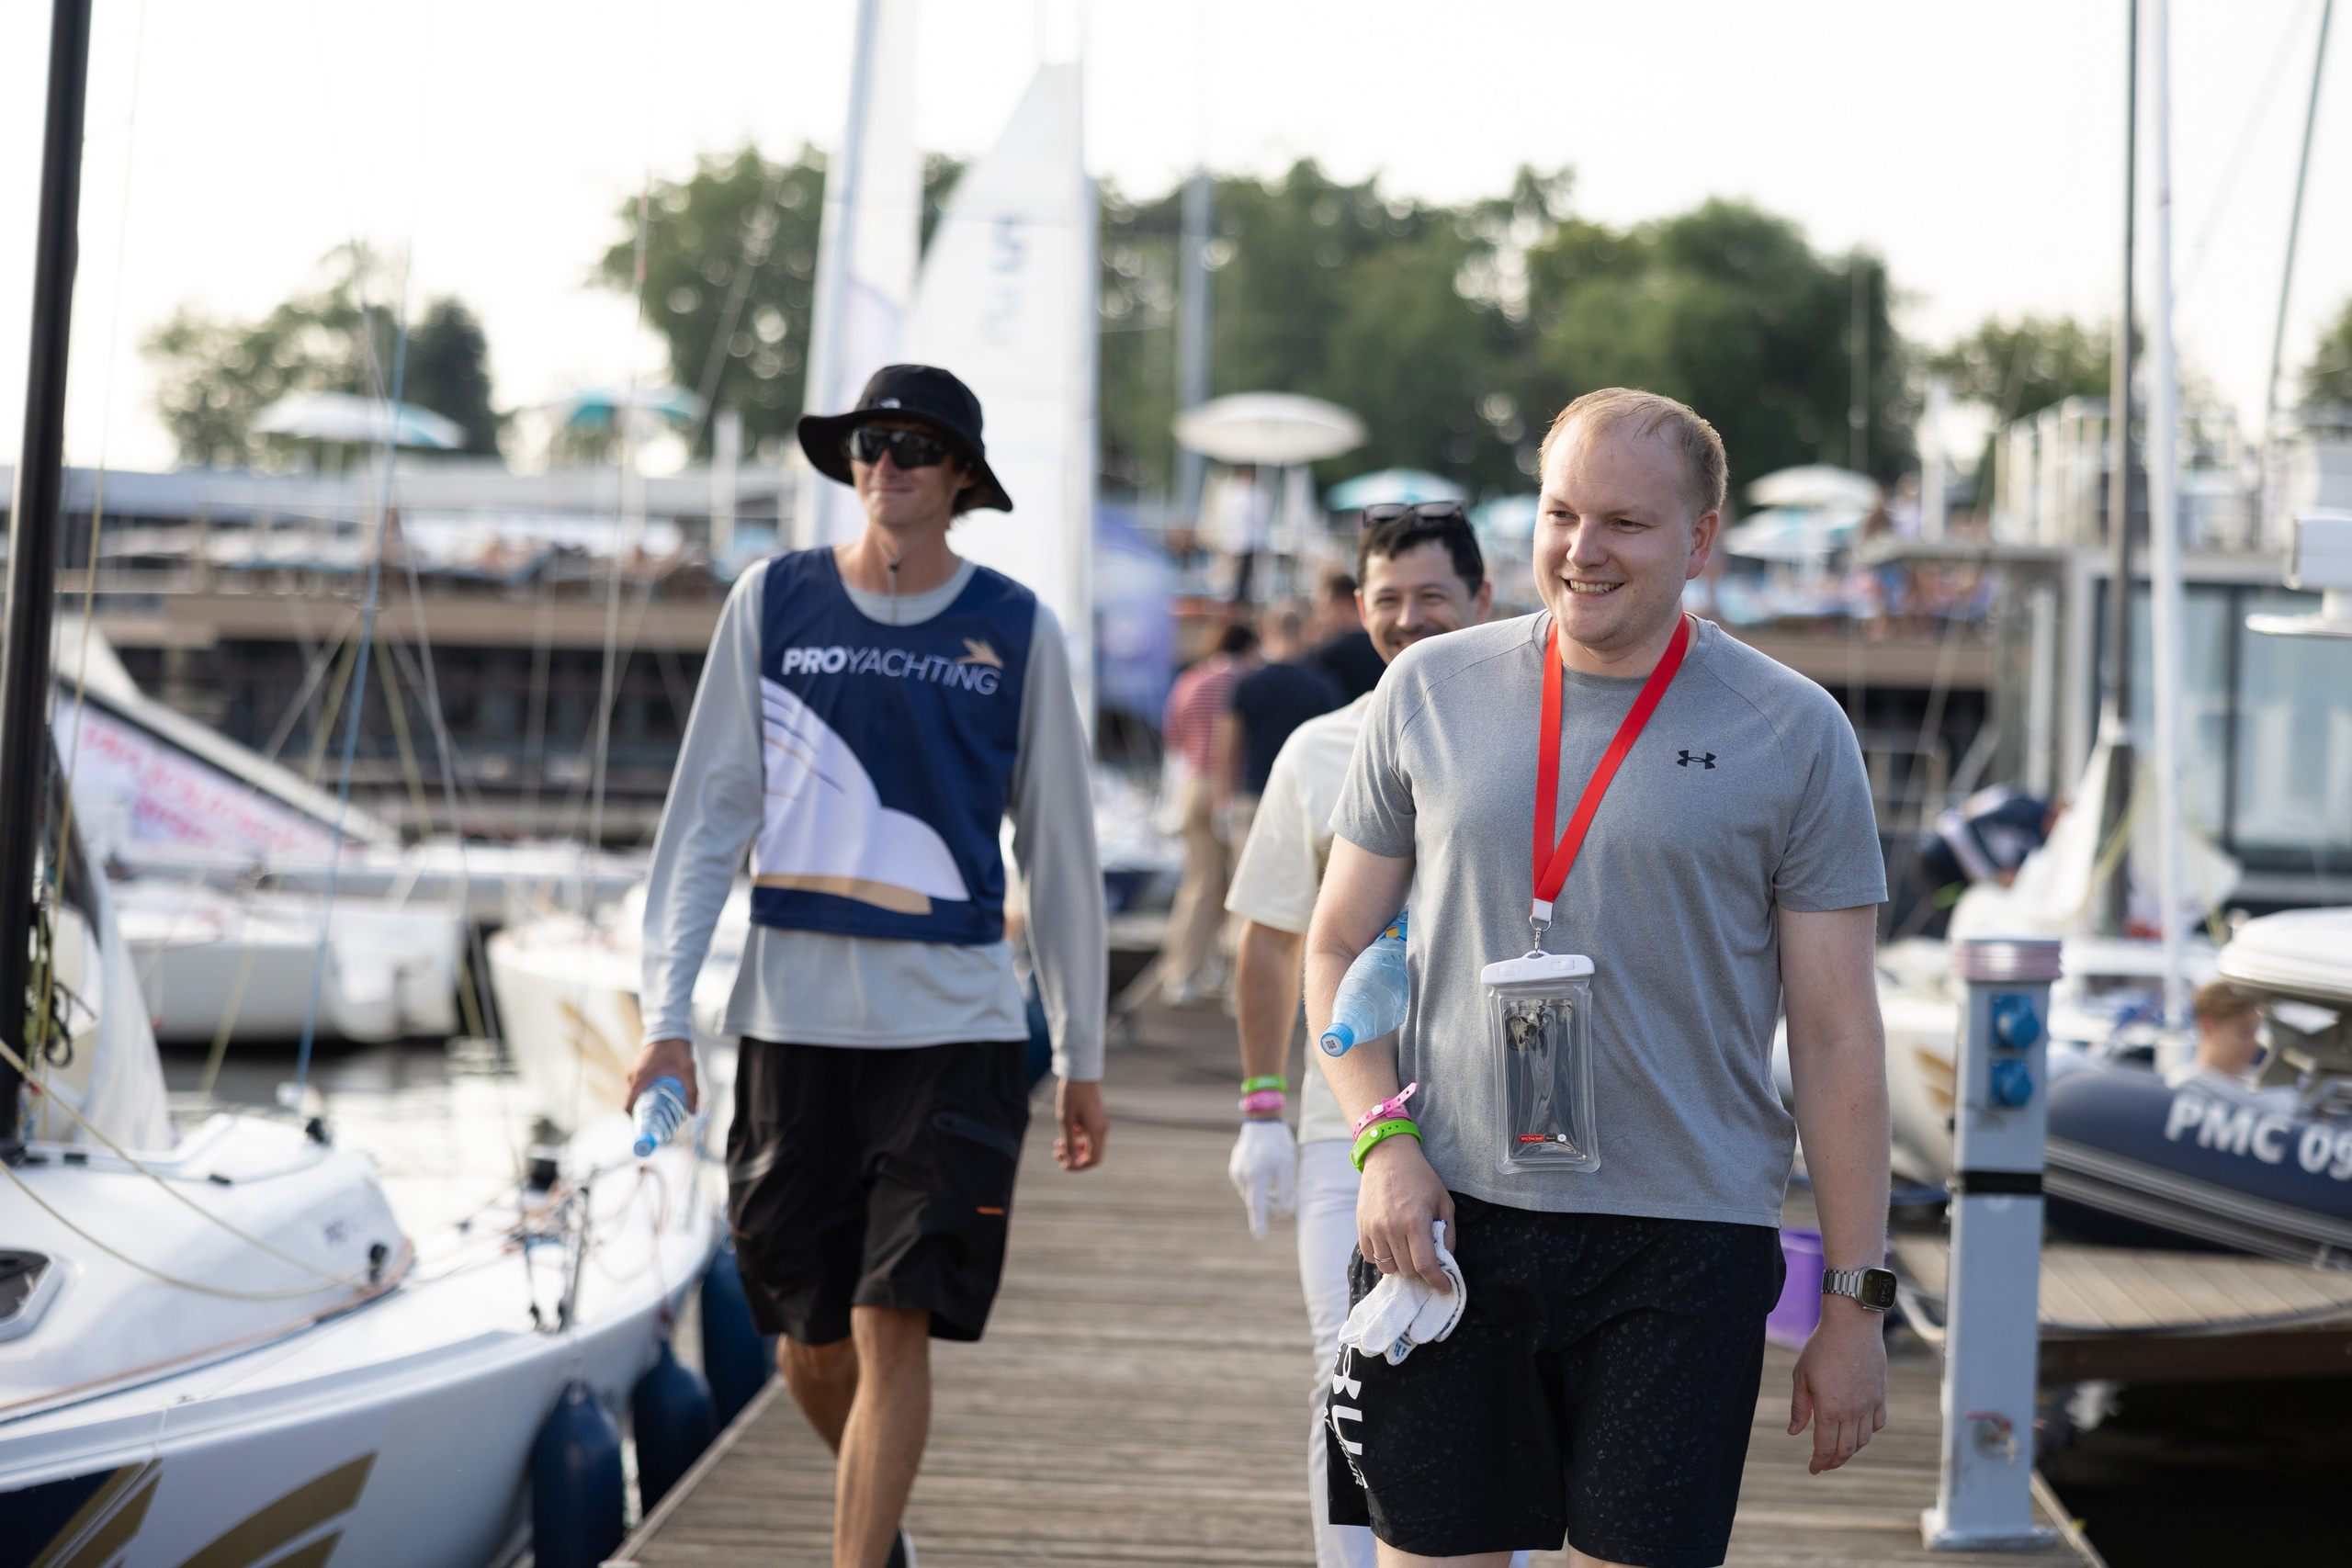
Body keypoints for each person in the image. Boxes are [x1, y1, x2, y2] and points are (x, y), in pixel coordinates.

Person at [1306, 389, 1893, 1567]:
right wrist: (1381, 1142)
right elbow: (1335, 946)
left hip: (1683, 1240)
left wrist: (1853, 1303)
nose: (1583, 550)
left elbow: (1836, 1036)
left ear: (1700, 538)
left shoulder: (1793, 730)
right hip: (1450, 1219)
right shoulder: (1428, 690)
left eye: (1626, 522)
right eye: (1561, 513)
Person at [627, 364, 1109, 1568]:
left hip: (954, 1031)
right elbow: (705, 822)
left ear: (961, 477)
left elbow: (1059, 852)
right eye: (867, 443)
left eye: (913, 445)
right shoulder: (772, 599)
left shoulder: (1016, 628)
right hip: (790, 1028)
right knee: (808, 1337)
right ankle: (878, 1532)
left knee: (894, 1317)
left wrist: (1083, 1052)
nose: (885, 463)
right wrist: (664, 1017)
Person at [1223, 502, 1494, 1568]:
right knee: (1351, 1367)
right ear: (1358, 606)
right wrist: (1259, 1108)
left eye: (1433, 597)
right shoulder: (1315, 751)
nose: (1409, 618)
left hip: (1497, 1116)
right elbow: (1269, 944)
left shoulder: (1531, 737)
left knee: (1491, 1374)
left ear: (1481, 599)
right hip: (1347, 1119)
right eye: (1388, 598)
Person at [1155, 623, 1259, 1005]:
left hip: (1192, 784)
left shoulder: (1190, 679)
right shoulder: (1244, 680)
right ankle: (1205, 975)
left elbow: (1173, 733)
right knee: (1230, 886)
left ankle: (1188, 970)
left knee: (1200, 881)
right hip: (1228, 786)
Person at [1217, 602, 1342, 861]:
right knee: (1299, 881)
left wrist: (1224, 799)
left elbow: (1227, 747)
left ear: (1265, 630)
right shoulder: (1323, 686)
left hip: (1255, 794)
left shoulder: (1247, 684)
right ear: (1303, 630)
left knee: (1249, 879)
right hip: (1305, 798)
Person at [2165, 981, 2283, 1101]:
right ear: (2208, 1027)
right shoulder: (2185, 1086)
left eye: (2254, 1033)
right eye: (2244, 1033)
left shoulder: (2262, 1086)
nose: (2253, 1044)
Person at [1308, 570, 1386, 701]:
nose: (1321, 617)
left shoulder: (1329, 655)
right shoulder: (1386, 644)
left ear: (1342, 602)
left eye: (1324, 607)